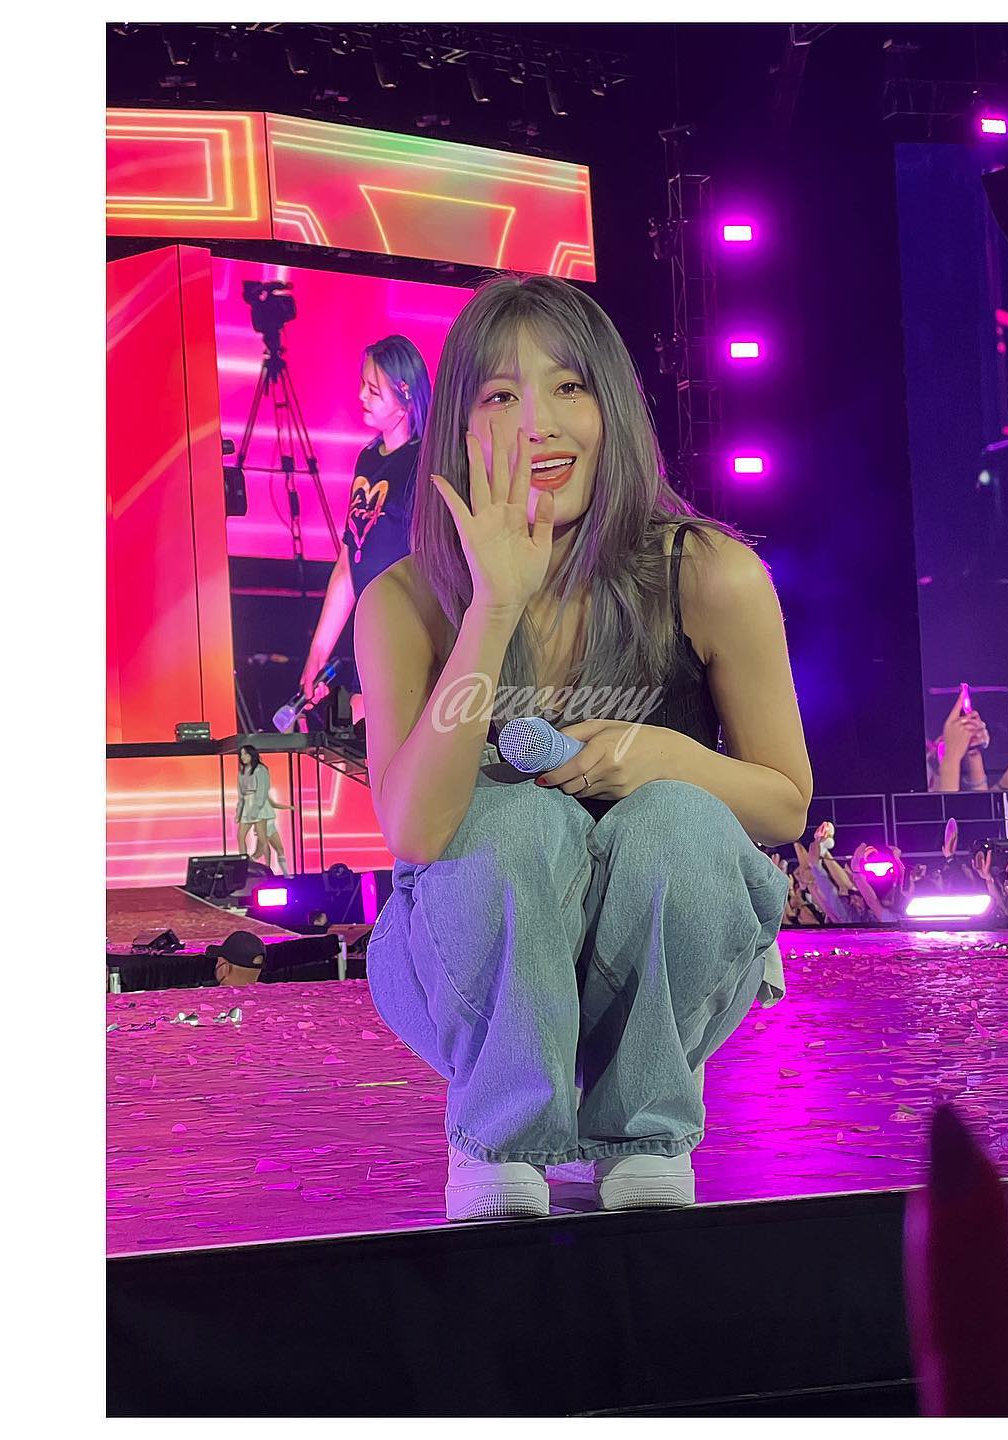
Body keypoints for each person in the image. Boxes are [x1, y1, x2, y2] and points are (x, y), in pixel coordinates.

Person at [354, 274, 810, 1222]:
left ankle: (645, 1129)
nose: (541, 425)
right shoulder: (403, 601)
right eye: (501, 395)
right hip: (472, 969)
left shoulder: (709, 573)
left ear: (612, 408)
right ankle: (497, 1134)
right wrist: (493, 607)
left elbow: (784, 803)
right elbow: (416, 831)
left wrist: (659, 756)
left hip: (655, 962)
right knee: (515, 822)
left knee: (678, 820)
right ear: (457, 429)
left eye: (569, 387)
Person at [299, 335, 433, 716]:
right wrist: (318, 651)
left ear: (405, 395)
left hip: (408, 636)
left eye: (374, 390)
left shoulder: (425, 462)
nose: (361, 396)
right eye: (363, 385)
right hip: (370, 633)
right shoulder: (368, 459)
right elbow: (348, 564)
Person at [234, 746, 294, 876]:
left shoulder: (260, 770)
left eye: (245, 754)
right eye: (241, 754)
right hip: (246, 805)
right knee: (240, 836)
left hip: (258, 807)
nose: (243, 757)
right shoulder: (242, 771)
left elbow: (262, 791)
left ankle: (268, 868)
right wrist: (239, 811)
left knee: (263, 839)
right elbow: (240, 794)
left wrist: (256, 809)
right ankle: (244, 865)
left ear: (252, 755)